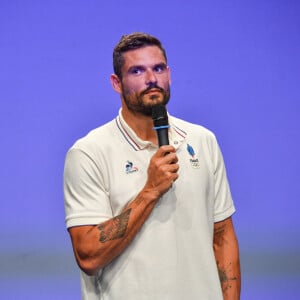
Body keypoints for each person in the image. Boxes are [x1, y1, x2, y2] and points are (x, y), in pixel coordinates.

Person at [64, 32, 241, 300]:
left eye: (158, 69)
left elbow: (223, 235)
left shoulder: (202, 141)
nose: (151, 79)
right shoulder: (89, 153)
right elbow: (88, 255)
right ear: (116, 82)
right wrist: (150, 191)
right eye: (137, 71)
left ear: (169, 74)